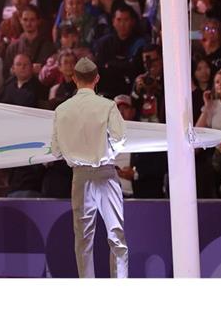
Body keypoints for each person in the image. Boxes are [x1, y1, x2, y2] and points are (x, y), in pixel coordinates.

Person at [50, 57, 128, 278]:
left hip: (80, 177)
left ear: (73, 78)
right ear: (97, 79)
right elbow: (120, 138)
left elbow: (56, 150)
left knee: (83, 239)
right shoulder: (107, 106)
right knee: (116, 236)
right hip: (105, 172)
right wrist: (106, 153)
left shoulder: (62, 109)